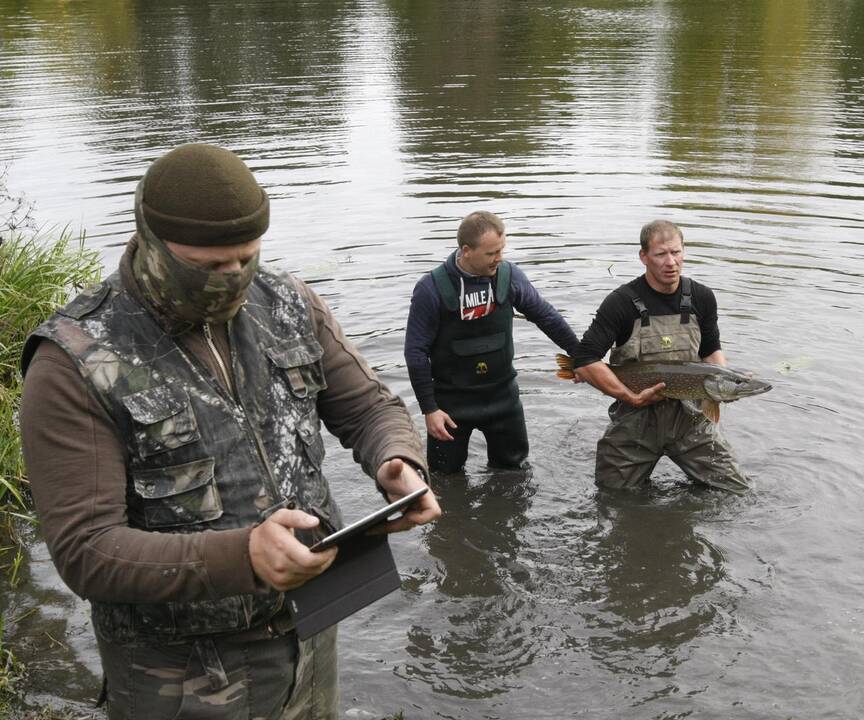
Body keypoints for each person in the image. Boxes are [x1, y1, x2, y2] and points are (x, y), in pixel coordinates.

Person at [18, 143, 442, 719]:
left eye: (246, 258)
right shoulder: (74, 361)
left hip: (311, 633)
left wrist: (395, 460)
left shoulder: (289, 303)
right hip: (182, 675)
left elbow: (370, 406)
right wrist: (243, 555)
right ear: (149, 240)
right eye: (209, 266)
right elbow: (85, 550)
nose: (234, 279)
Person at [571, 220, 749, 493]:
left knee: (736, 491)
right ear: (643, 257)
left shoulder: (702, 297)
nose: (671, 262)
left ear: (684, 252)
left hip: (690, 419)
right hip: (635, 419)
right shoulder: (620, 302)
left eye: (676, 253)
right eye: (661, 254)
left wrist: (725, 383)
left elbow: (710, 350)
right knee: (613, 498)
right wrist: (630, 397)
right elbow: (585, 360)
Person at [405, 211, 579, 474]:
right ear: (466, 251)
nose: (499, 258)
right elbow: (415, 352)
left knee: (515, 476)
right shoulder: (431, 288)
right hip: (451, 406)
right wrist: (429, 409)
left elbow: (546, 316)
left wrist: (580, 355)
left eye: (501, 250)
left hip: (503, 399)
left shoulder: (509, 277)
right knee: (444, 480)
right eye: (491, 253)